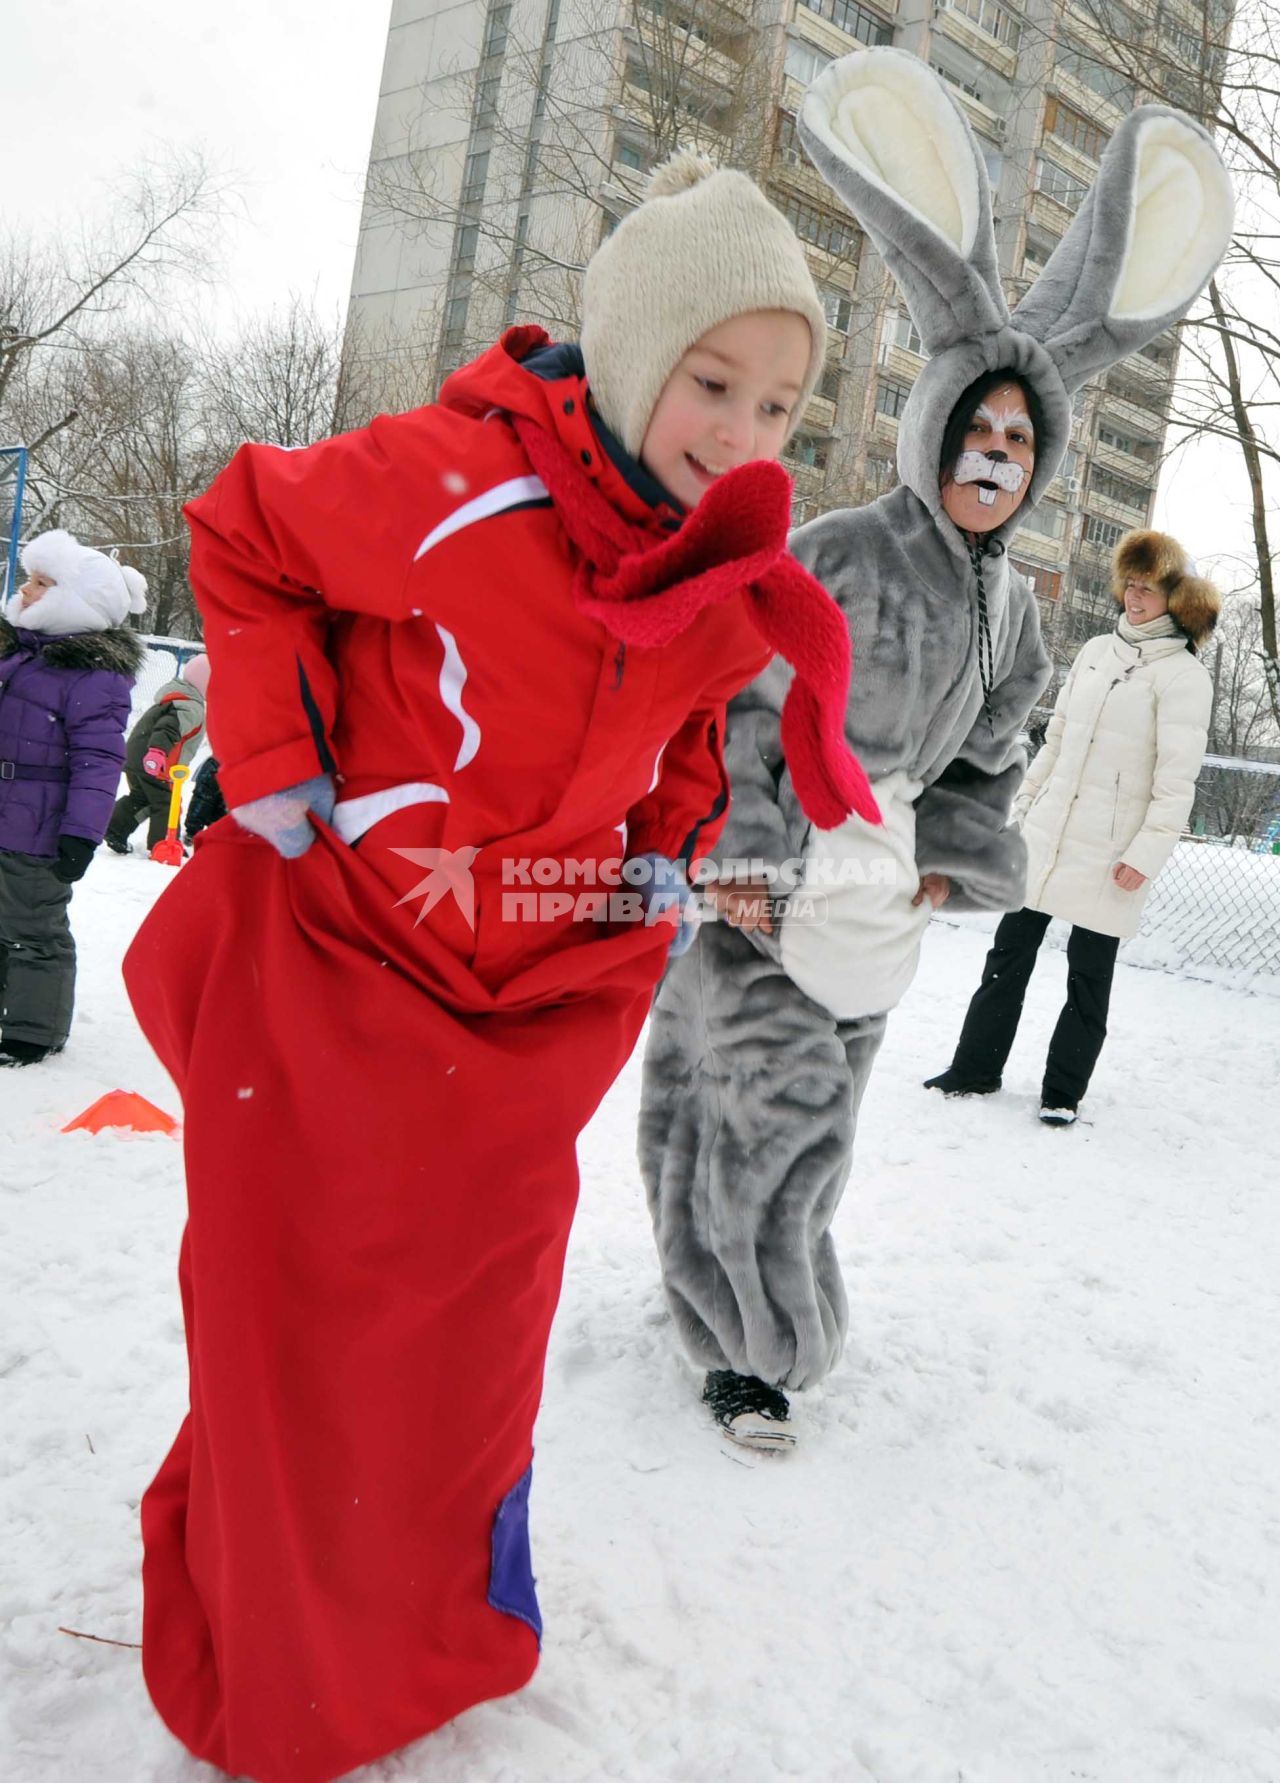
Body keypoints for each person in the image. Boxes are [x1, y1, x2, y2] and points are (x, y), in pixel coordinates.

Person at [119, 152, 877, 1783]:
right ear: (626, 356)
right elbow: (240, 526)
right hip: (334, 964)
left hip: (519, 1013)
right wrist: (266, 751)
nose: (744, 438)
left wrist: (668, 836)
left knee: (459, 1349)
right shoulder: (457, 487)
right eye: (713, 383)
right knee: (295, 1327)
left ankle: (426, 1628)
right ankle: (272, 1648)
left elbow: (686, 717)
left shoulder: (724, 565)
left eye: (780, 407)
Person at [638, 47, 1233, 1451]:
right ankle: (754, 1350)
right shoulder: (836, 552)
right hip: (766, 882)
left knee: (798, 1111)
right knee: (753, 1105)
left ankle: (721, 1307)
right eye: (979, 426)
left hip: (873, 893)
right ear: (934, 427)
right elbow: (737, 700)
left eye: (1022, 441)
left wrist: (944, 861)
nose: (997, 454)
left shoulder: (1012, 610)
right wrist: (740, 854)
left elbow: (992, 752)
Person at [925, 529, 1219, 1124]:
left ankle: (1062, 1092)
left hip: (1111, 848)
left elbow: (1174, 780)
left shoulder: (1185, 678)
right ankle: (974, 1068)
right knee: (1007, 956)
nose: (1134, 599)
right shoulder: (1094, 653)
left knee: (1088, 976)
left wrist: (1148, 851)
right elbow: (1055, 741)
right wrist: (1026, 806)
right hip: (1047, 832)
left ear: (1175, 597)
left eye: (1149, 589)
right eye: (1129, 586)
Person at [0, 529, 145, 1065]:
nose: (27, 590)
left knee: (33, 926)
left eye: (42, 583)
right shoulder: (15, 653)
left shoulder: (92, 674)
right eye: (28, 580)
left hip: (39, 822)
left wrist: (82, 833)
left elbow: (99, 760)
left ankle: (35, 1030)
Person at [105, 653, 210, 855]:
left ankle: (114, 828)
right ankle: (164, 847)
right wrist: (157, 752)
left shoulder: (176, 697)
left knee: (141, 797)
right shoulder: (190, 706)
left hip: (137, 757)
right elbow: (167, 728)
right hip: (154, 762)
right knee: (166, 803)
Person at [182, 753, 225, 842]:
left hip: (223, 832)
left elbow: (203, 798)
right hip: (246, 835)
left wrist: (192, 830)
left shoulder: (217, 762)